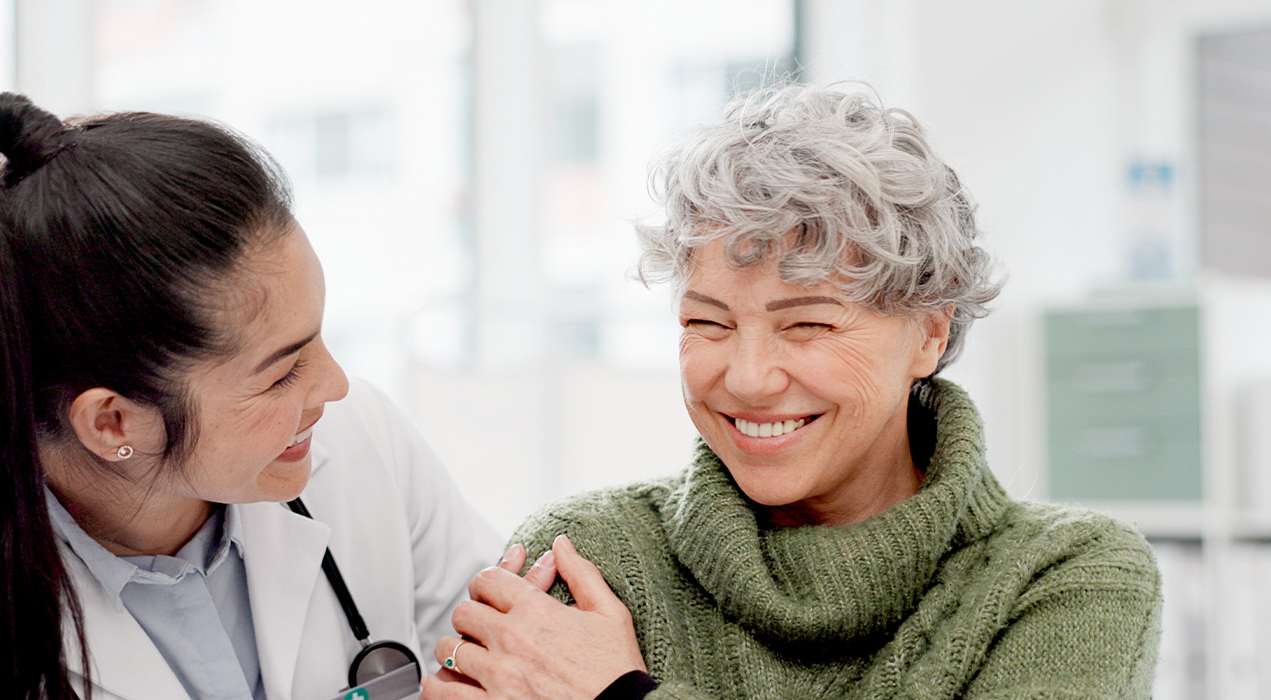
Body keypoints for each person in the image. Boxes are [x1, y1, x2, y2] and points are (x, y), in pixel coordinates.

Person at [422, 84, 1162, 700]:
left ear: (930, 335)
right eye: (707, 323)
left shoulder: (1068, 576)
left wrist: (622, 696)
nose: (746, 377)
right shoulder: (589, 555)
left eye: (805, 324)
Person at [0, 93, 500, 700]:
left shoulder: (361, 447)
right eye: (282, 372)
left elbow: (518, 659)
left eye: (317, 338)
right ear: (112, 422)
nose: (337, 386)